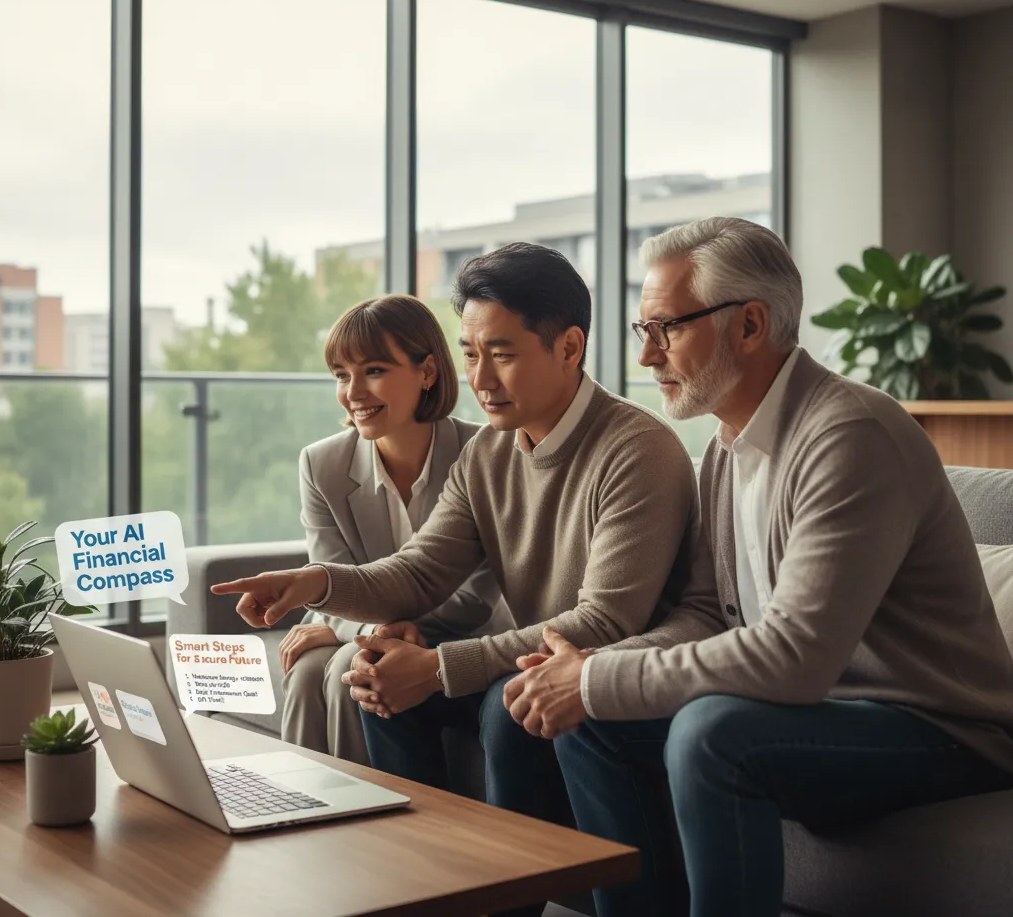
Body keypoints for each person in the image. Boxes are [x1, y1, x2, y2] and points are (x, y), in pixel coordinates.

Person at [503, 216, 1013, 917]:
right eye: (641, 330)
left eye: (666, 328)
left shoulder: (849, 436)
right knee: (593, 719)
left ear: (749, 325)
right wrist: (592, 668)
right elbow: (709, 613)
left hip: (940, 731)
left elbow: (794, 659)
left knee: (713, 733)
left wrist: (596, 677)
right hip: (826, 713)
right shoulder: (725, 446)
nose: (646, 355)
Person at [213, 242, 703, 917]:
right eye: (470, 354)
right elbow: (419, 571)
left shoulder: (636, 449)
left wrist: (440, 667)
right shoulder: (491, 453)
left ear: (568, 348)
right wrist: (313, 584)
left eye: (500, 352)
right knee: (376, 679)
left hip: (615, 670)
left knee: (502, 703)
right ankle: (414, 891)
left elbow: (606, 621)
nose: (480, 377)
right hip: (531, 663)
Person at [279, 294, 511, 763]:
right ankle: (294, 808)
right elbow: (331, 569)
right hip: (359, 623)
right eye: (342, 376)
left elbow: (473, 596)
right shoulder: (321, 463)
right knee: (306, 671)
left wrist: (356, 635)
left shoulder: (486, 453)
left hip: (463, 635)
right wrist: (361, 628)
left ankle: (364, 820)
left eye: (375, 371)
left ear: (427, 372)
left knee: (351, 664)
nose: (354, 392)